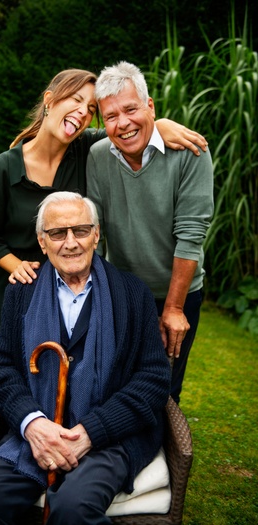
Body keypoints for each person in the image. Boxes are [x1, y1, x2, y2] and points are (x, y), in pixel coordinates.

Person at [0, 66, 208, 455]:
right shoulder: (5, 166)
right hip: (11, 283)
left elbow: (126, 127)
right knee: (3, 368)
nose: (84, 112)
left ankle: (100, 449)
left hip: (75, 282)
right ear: (49, 100)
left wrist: (159, 125)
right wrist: (17, 266)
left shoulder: (83, 151)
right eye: (75, 100)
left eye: (90, 107)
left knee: (92, 373)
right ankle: (1, 449)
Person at [0, 192, 171, 525]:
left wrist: (91, 432)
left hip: (107, 438)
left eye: (81, 230)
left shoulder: (132, 293)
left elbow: (153, 379)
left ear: (96, 235)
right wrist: (33, 424)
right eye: (57, 233)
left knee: (72, 509)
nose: (70, 242)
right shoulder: (22, 291)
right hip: (36, 435)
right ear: (42, 242)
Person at [86, 61, 214, 404]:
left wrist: (173, 308)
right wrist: (95, 294)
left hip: (178, 293)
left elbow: (191, 234)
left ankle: (160, 455)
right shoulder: (97, 156)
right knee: (114, 385)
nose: (123, 123)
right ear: (101, 121)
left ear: (151, 106)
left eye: (131, 109)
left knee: (164, 390)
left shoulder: (191, 153)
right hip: (123, 292)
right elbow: (95, 234)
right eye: (111, 116)